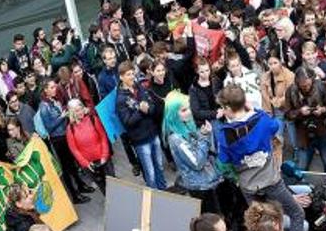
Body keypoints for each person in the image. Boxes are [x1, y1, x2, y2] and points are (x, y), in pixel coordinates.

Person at [215, 84, 306, 231]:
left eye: (223, 108)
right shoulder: (261, 120)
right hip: (272, 182)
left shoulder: (224, 134)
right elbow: (275, 126)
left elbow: (223, 163)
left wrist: (236, 177)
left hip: (249, 187)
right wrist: (256, 110)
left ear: (228, 108)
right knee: (297, 214)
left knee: (261, 224)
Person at [164, 96, 224, 214]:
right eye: (183, 110)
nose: (189, 112)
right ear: (173, 115)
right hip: (199, 186)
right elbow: (197, 162)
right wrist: (205, 137)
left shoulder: (185, 126)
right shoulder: (175, 138)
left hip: (207, 181)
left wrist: (202, 134)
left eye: (188, 108)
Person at [116, 62, 166, 190]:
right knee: (150, 173)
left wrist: (147, 110)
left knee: (159, 166)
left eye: (133, 73)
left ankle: (164, 191)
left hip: (153, 134)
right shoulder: (120, 99)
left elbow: (152, 106)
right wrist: (140, 111)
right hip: (141, 141)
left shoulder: (140, 87)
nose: (132, 77)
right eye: (128, 74)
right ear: (121, 77)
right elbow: (127, 122)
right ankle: (154, 198)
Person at [65, 99, 113, 195]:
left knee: (114, 184)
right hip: (90, 165)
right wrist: (86, 163)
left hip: (104, 160)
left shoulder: (93, 119)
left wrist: (104, 156)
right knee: (104, 188)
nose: (80, 112)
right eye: (77, 111)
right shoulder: (70, 129)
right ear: (72, 113)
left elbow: (103, 137)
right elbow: (74, 149)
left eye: (81, 109)